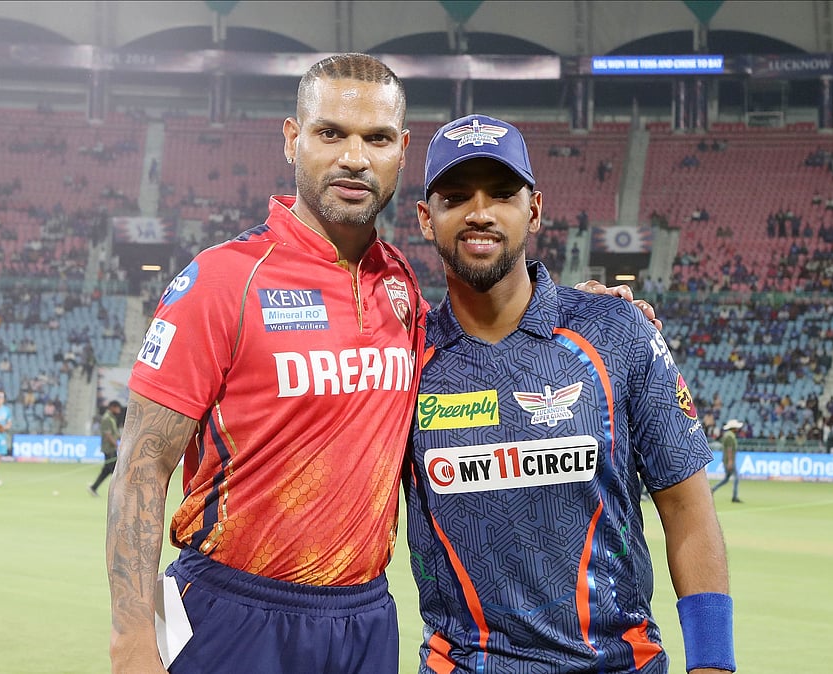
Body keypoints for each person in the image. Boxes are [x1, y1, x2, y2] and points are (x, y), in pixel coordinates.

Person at [106, 54, 661, 674]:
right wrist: (133, 642)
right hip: (229, 605)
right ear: (292, 140)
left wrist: (584, 310)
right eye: (330, 133)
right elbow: (140, 464)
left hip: (366, 619)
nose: (353, 157)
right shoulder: (221, 280)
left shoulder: (400, 291)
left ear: (401, 150)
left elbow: (494, 331)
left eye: (375, 138)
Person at [406, 114, 734, 674]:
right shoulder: (402, 360)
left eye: (502, 194)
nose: (480, 213)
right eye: (456, 196)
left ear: (534, 209)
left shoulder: (620, 332)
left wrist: (713, 664)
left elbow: (687, 508)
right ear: (425, 219)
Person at [87, 400, 122, 497]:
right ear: (113, 407)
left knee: (107, 470)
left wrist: (121, 440)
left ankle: (94, 487)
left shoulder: (111, 418)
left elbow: (114, 433)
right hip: (109, 449)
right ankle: (118, 492)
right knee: (115, 470)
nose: (119, 410)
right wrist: (117, 445)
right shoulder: (107, 418)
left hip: (111, 448)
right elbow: (108, 435)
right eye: (117, 408)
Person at [712, 419, 743, 503]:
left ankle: (713, 489)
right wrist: (730, 461)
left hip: (727, 460)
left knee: (726, 479)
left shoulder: (728, 435)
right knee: (736, 478)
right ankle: (734, 496)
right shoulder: (730, 436)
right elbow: (729, 449)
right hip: (729, 460)